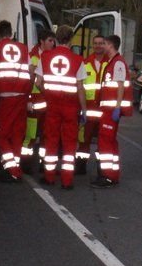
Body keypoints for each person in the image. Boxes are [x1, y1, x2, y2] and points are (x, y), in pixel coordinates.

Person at [38, 25, 87, 188]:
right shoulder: (78, 60)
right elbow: (80, 88)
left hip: (52, 106)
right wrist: (84, 109)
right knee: (69, 143)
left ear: (56, 39)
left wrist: (48, 94)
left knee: (51, 140)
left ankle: (49, 177)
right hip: (71, 108)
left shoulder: (45, 57)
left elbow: (38, 82)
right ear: (71, 39)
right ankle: (67, 181)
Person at [0, 20, 33, 182]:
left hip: (5, 96)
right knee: (17, 135)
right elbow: (31, 72)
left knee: (0, 135)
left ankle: (13, 170)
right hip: (22, 96)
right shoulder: (23, 48)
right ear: (11, 32)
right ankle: (15, 168)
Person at [94, 34, 132, 187]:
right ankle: (112, 174)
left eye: (105, 44)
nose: (102, 46)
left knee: (105, 142)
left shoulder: (118, 63)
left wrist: (117, 107)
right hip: (108, 109)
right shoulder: (112, 62)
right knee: (110, 142)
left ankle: (107, 176)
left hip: (111, 110)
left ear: (111, 45)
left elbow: (120, 86)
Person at [21, 30, 56, 173]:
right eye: (50, 40)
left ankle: (43, 163)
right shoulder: (31, 57)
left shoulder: (54, 57)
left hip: (48, 102)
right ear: (41, 41)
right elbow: (27, 81)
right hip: (34, 102)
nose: (52, 43)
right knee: (30, 135)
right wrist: (28, 99)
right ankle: (25, 163)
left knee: (46, 136)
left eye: (53, 40)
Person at [77, 34, 108, 175]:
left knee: (103, 142)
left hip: (104, 110)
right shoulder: (85, 63)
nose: (98, 46)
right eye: (95, 43)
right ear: (92, 45)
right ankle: (80, 167)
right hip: (88, 109)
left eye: (101, 43)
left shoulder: (110, 63)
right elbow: (80, 86)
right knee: (84, 140)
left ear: (105, 45)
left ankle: (101, 170)